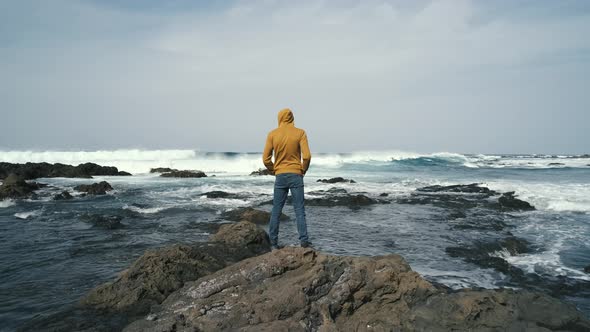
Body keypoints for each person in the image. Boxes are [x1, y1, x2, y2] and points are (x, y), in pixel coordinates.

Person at [263, 108, 312, 250]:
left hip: (280, 176)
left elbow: (265, 158)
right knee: (299, 210)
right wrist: (303, 169)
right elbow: (307, 156)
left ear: (279, 118)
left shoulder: (272, 134)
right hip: (296, 175)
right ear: (291, 118)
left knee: (276, 210)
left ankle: (273, 244)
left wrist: (274, 170)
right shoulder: (300, 133)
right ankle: (304, 243)